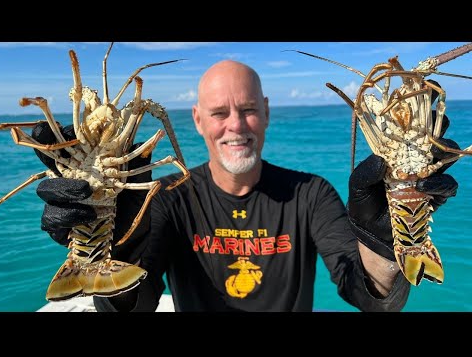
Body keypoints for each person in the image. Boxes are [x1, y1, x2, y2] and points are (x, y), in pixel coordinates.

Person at [33, 60, 459, 312]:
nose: (236, 125)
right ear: (197, 120)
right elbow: (134, 307)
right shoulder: (167, 198)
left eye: (249, 109)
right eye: (220, 112)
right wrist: (119, 244)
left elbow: (373, 296)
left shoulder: (310, 194)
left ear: (267, 113)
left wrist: (382, 242)